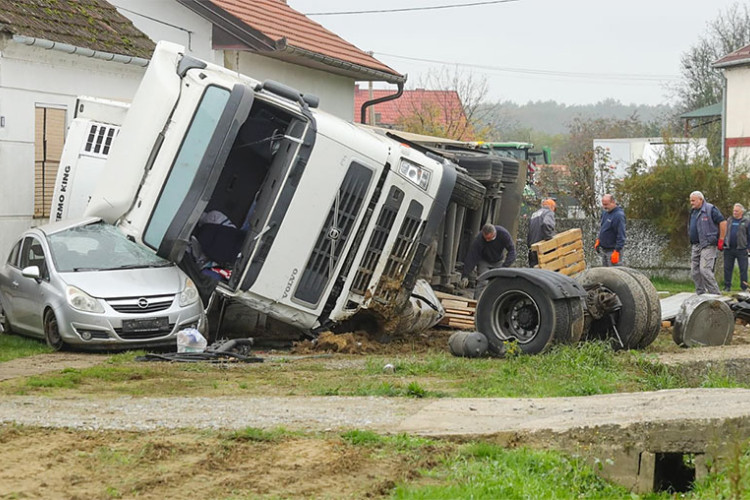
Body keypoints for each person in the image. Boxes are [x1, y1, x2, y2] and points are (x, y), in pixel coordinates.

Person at [460, 224, 516, 299]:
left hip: (498, 261)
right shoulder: (479, 239)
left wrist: (505, 266)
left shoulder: (503, 234)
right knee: (483, 281)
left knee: (498, 283)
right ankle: (477, 302)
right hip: (484, 261)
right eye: (486, 239)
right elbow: (472, 256)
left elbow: (512, 250)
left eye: (489, 239)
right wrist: (465, 275)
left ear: (494, 234)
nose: (487, 241)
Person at [688, 191, 726, 295]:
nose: (691, 203)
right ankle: (701, 294)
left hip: (708, 244)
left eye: (693, 200)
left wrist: (721, 239)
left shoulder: (711, 209)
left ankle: (716, 295)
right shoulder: (693, 211)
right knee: (694, 271)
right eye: (690, 200)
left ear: (701, 200)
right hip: (696, 245)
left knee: (704, 270)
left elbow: (723, 222)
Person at [722, 203, 749, 292]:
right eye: (734, 210)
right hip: (729, 249)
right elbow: (724, 232)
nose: (734, 212)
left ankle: (744, 287)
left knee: (743, 269)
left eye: (736, 211)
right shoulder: (729, 220)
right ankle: (727, 286)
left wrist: (748, 247)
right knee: (727, 268)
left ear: (741, 212)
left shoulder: (746, 221)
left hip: (741, 249)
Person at [594, 193, 626, 267]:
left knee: (614, 275)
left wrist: (617, 251)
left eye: (606, 204)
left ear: (613, 202)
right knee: (606, 275)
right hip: (604, 249)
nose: (604, 207)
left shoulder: (618, 215)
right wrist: (599, 240)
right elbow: (603, 228)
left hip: (613, 250)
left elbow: (621, 235)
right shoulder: (605, 213)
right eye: (603, 204)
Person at [527, 198, 557, 267]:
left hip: (533, 249)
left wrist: (530, 246)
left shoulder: (534, 214)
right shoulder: (548, 212)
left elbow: (530, 232)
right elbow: (547, 224)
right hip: (543, 248)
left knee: (534, 274)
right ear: (552, 207)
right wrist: (549, 240)